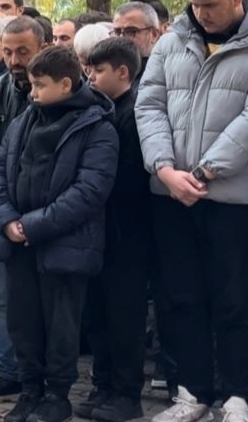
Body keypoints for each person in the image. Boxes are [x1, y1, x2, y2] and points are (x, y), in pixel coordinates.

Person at [138, 0, 248, 422]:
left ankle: (238, 397)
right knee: (182, 299)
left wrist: (204, 172)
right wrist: (165, 169)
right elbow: (149, 106)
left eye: (210, 5)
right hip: (172, 192)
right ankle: (191, 394)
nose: (201, 14)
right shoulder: (173, 42)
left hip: (236, 197)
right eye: (194, 5)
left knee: (235, 302)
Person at [0, 45, 118, 422]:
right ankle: (30, 390)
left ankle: (57, 396)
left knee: (61, 326)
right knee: (22, 322)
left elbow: (89, 191)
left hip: (64, 245)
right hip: (18, 242)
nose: (33, 93)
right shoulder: (24, 121)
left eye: (40, 85)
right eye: (31, 85)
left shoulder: (98, 128)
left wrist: (32, 225)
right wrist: (7, 221)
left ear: (65, 84)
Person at [0, 16, 47, 406]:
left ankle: (45, 376)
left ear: (43, 48)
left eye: (23, 52)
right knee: (2, 296)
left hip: (44, 211)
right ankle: (11, 371)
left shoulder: (61, 91)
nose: (15, 60)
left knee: (47, 297)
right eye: (9, 51)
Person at [78, 38, 152, 422]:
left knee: (124, 316)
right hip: (98, 231)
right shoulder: (99, 109)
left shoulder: (135, 113)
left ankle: (127, 392)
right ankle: (103, 383)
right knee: (97, 314)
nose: (90, 77)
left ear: (123, 72)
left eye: (98, 70)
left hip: (127, 232)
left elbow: (128, 176)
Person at [112, 1, 161, 82]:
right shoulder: (105, 73)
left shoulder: (166, 75)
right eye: (117, 32)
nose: (121, 38)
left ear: (154, 35)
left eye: (130, 32)